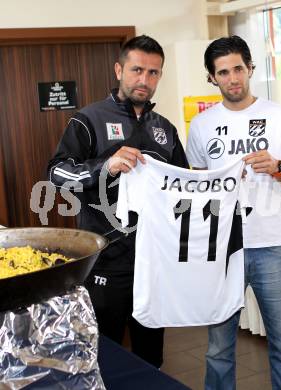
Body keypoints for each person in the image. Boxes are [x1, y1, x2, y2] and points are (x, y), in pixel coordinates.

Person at [48, 35, 188, 368]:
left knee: (151, 357)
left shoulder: (165, 130)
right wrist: (105, 166)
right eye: (137, 69)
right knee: (105, 357)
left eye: (154, 73)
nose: (145, 80)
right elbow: (56, 175)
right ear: (118, 70)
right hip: (105, 262)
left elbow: (183, 186)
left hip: (153, 261)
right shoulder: (89, 119)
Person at [186, 35, 281, 389]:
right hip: (224, 250)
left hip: (272, 247)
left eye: (238, 68)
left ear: (250, 68)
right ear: (212, 78)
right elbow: (196, 189)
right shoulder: (202, 126)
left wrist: (276, 166)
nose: (233, 78)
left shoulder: (279, 116)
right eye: (223, 72)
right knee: (218, 348)